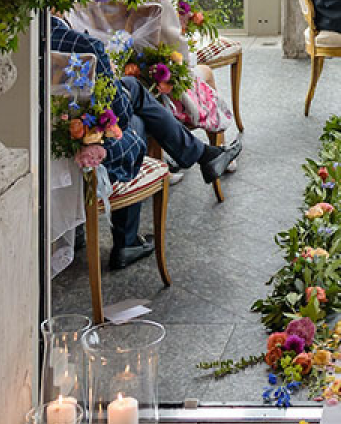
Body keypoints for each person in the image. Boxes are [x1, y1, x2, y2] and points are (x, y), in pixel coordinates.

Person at [51, 16, 239, 269]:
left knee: (132, 90)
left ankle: (203, 155)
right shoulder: (83, 45)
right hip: (86, 151)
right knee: (136, 119)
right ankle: (127, 241)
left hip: (47, 147)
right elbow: (120, 114)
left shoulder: (20, 37)